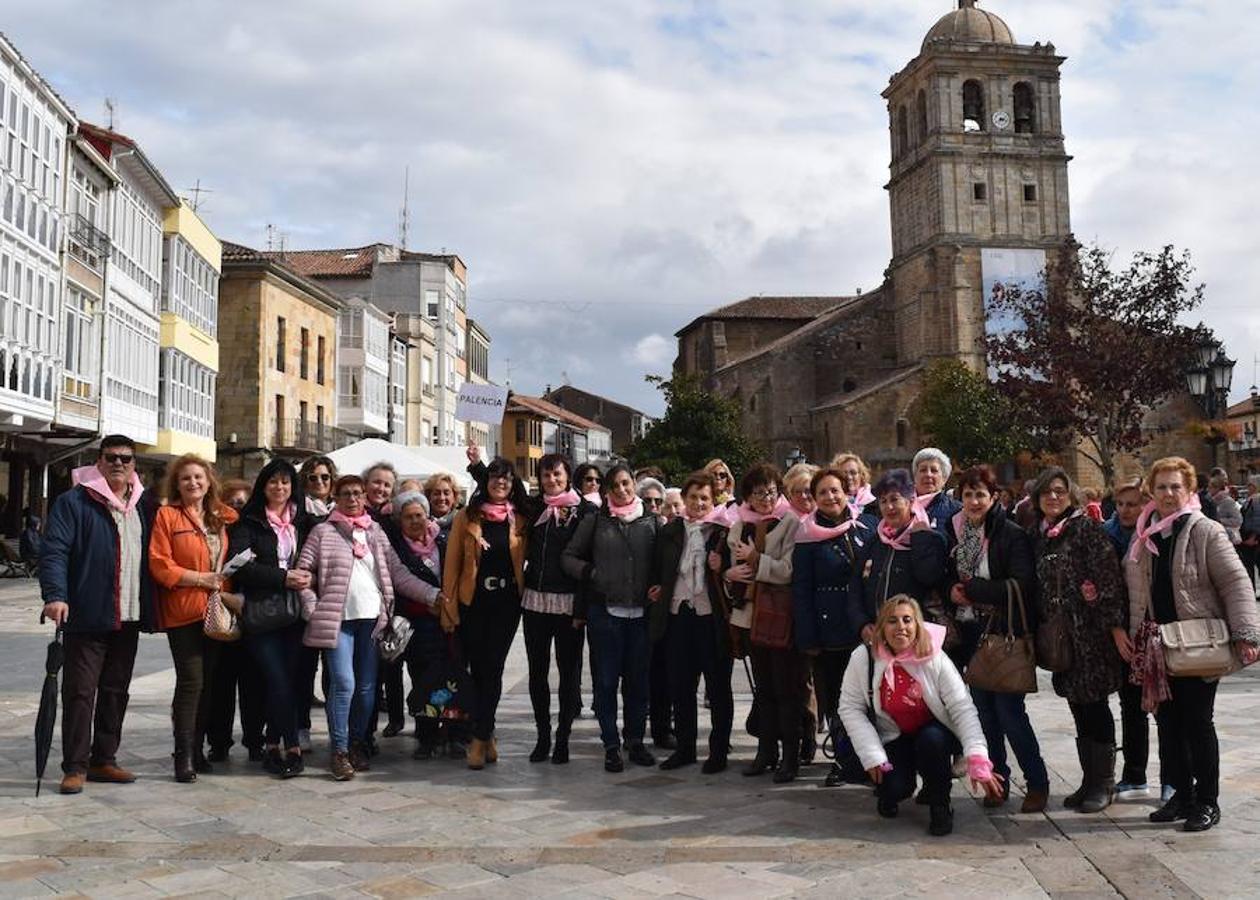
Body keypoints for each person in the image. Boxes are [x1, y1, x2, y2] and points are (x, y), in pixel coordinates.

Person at [1123, 457, 1260, 832]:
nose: (1168, 494)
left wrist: (1247, 635)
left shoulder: (1206, 530)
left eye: (1175, 487)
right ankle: (1181, 795)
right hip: (1158, 644)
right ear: (1152, 490)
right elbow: (1136, 591)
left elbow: (1235, 582)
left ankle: (1207, 801)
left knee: (1198, 722)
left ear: (1189, 491)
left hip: (1199, 644)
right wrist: (1134, 636)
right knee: (1168, 723)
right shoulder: (1146, 533)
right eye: (1162, 487)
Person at [297, 474, 438, 780]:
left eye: (357, 494)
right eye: (346, 494)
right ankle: (340, 749)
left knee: (366, 688)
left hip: (373, 620)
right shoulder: (323, 531)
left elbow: (397, 573)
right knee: (344, 684)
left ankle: (358, 742)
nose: (353, 499)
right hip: (338, 620)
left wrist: (432, 594)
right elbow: (303, 572)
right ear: (336, 496)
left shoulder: (374, 531)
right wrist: (312, 608)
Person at [40, 436, 156, 795]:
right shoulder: (74, 501)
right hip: (88, 614)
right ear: (99, 461)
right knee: (80, 692)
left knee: (115, 690)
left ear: (134, 463)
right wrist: (56, 595)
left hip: (129, 615)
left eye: (126, 458)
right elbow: (55, 550)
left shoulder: (142, 504)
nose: (119, 464)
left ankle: (104, 758)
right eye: (112, 458)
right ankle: (74, 766)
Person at [839, 595, 1004, 836]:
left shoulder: (934, 657)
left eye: (908, 620)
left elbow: (962, 708)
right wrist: (871, 754)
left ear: (917, 624)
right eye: (893, 621)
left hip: (931, 731)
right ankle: (893, 789)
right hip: (892, 734)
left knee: (932, 741)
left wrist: (977, 759)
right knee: (896, 788)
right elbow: (850, 707)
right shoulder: (863, 658)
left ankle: (939, 803)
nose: (901, 627)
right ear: (882, 627)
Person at [945, 465, 1048, 813]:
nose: (974, 501)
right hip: (971, 632)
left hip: (1005, 632)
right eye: (968, 494)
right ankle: (997, 780)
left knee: (1010, 713)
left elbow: (1021, 585)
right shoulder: (956, 529)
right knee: (983, 715)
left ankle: (1037, 782)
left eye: (981, 495)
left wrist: (972, 590)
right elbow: (950, 577)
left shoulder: (1010, 534)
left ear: (994, 497)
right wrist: (953, 592)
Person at [1028, 466, 1125, 813]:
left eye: (1059, 491)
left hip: (1091, 636)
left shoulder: (1085, 529)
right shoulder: (1040, 535)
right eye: (1046, 492)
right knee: (1077, 706)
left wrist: (1114, 626)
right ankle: (1089, 779)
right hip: (1062, 640)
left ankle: (1104, 783)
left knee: (1095, 706)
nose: (1053, 497)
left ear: (1070, 495)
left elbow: (1108, 578)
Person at [562, 463, 661, 772]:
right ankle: (611, 744)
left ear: (634, 484)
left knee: (638, 682)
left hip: (640, 613)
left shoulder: (652, 521)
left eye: (626, 483)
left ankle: (635, 740)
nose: (621, 490)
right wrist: (591, 573)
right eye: (615, 486)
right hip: (606, 613)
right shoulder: (595, 520)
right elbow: (568, 557)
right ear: (606, 491)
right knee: (606, 682)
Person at [148, 455, 239, 783]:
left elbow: (236, 515)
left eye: (199, 477)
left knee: (209, 682)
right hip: (184, 609)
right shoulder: (167, 516)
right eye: (186, 478)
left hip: (216, 609)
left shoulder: (219, 516)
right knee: (191, 681)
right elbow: (160, 564)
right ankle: (182, 755)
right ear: (177, 484)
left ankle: (197, 748)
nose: (193, 483)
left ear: (209, 481)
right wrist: (200, 579)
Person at [226, 459, 316, 777]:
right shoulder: (249, 523)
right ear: (264, 486)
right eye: (273, 482)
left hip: (296, 613)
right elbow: (239, 566)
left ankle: (273, 743)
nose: (280, 488)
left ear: (294, 487)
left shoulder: (304, 522)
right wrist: (282, 577)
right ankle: (290, 745)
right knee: (276, 678)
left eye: (286, 482)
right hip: (262, 613)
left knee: (288, 680)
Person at [438, 458, 529, 770]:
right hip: (473, 602)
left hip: (506, 603)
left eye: (505, 479)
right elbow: (451, 565)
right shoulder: (468, 516)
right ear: (485, 482)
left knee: (494, 668)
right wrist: (449, 607)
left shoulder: (520, 518)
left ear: (513, 483)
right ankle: (486, 734)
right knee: (477, 670)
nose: (500, 483)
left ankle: (478, 739)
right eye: (494, 478)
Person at [792, 464, 878, 787]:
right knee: (837, 701)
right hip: (828, 632)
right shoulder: (806, 536)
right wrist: (808, 637)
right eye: (823, 492)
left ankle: (871, 760)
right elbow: (800, 591)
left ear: (846, 492)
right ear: (814, 498)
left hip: (865, 629)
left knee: (869, 698)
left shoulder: (868, 526)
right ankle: (843, 760)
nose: (830, 496)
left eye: (835, 490)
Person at [725, 464, 803, 781]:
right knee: (764, 688)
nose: (765, 498)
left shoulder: (790, 522)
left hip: (781, 617)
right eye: (758, 492)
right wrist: (730, 574)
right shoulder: (739, 526)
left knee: (787, 690)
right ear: (748, 496)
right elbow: (731, 569)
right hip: (750, 616)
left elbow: (788, 570)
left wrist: (757, 560)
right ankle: (765, 751)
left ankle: (791, 757)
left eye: (771, 491)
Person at [655, 471, 733, 773]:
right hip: (679, 615)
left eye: (705, 498)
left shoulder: (723, 531)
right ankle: (685, 748)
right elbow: (659, 566)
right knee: (681, 685)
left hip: (711, 617)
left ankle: (718, 752)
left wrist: (722, 565)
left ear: (713, 500)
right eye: (693, 497)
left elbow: (734, 572)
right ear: (684, 500)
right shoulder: (671, 531)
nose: (699, 503)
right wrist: (657, 587)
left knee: (717, 687)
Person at [1103, 478, 1165, 800]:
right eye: (1121, 504)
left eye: (1133, 504)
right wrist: (1116, 628)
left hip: (1155, 629)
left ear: (1146, 504)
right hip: (1123, 631)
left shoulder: (1158, 533)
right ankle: (1135, 774)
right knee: (1130, 706)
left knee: (1168, 708)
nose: (1126, 510)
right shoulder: (1106, 535)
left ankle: (1174, 778)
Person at [520, 454, 584, 764]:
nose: (552, 480)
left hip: (569, 601)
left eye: (557, 474)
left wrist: (583, 606)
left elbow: (589, 558)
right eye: (546, 475)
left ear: (567, 475)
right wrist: (477, 465)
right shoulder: (534, 507)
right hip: (535, 599)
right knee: (537, 672)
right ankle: (543, 735)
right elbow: (500, 490)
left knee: (569, 673)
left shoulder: (584, 510)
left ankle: (563, 737)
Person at [385, 490, 450, 760]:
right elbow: (400, 582)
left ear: (427, 516)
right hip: (417, 625)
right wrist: (432, 599)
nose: (415, 521)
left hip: (446, 623)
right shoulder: (396, 547)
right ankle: (426, 735)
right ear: (400, 521)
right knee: (423, 681)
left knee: (447, 681)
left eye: (419, 516)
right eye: (408, 517)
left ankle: (450, 730)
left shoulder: (443, 542)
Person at [205, 479, 266, 763]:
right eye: (232, 502)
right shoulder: (214, 533)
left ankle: (255, 740)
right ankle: (218, 741)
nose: (238, 508)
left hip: (253, 613)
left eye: (243, 502)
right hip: (221, 613)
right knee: (220, 685)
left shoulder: (257, 529)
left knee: (253, 684)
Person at [851, 469, 949, 640]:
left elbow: (929, 577)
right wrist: (861, 623)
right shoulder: (875, 541)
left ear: (911, 502)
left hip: (914, 637)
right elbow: (856, 586)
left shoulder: (930, 538)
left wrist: (920, 537)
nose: (889, 507)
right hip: (877, 635)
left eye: (895, 499)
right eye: (883, 501)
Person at [911, 447, 962, 538]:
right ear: (915, 476)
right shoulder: (900, 506)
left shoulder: (957, 511)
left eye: (934, 470)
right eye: (923, 470)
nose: (928, 474)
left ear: (944, 479)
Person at [1241, 485, 1260, 597]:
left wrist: (1253, 537)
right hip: (1249, 537)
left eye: (1251, 486)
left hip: (1254, 539)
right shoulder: (1251, 499)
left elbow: (1257, 520)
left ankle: (1251, 591)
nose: (1248, 489)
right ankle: (1251, 591)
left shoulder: (1256, 500)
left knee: (1253, 565)